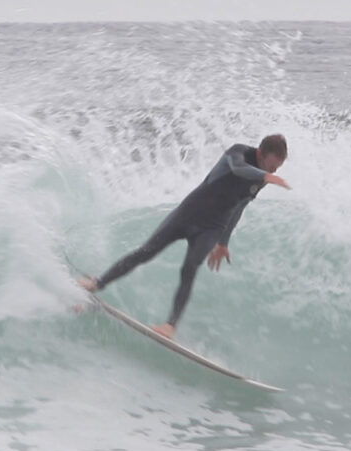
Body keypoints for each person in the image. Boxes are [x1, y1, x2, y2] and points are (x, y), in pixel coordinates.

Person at [78, 134, 290, 339]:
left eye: (276, 169)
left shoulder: (263, 178)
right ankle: (98, 282)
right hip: (188, 213)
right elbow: (238, 169)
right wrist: (265, 175)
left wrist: (223, 243)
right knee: (146, 251)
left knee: (190, 267)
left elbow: (239, 207)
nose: (272, 172)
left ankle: (169, 326)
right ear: (261, 153)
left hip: (212, 227)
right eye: (271, 166)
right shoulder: (239, 153)